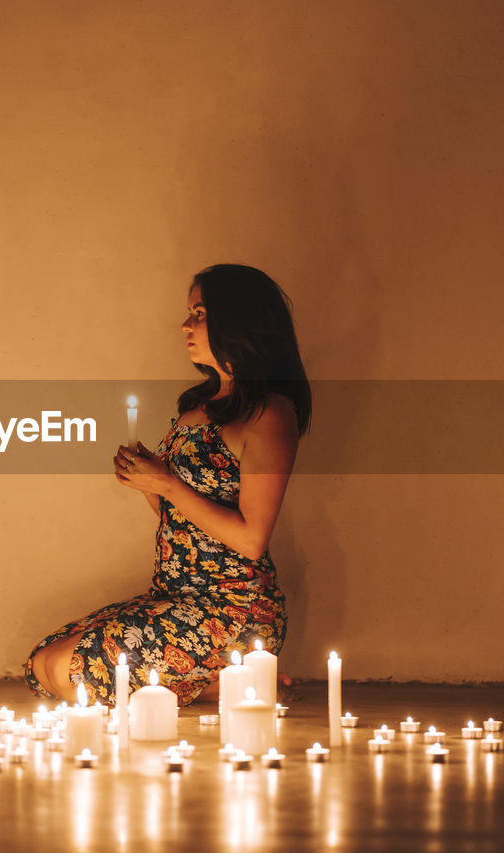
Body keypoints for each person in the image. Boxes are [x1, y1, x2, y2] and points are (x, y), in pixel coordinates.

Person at [24, 264, 311, 706]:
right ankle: (223, 685)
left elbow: (251, 540)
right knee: (41, 664)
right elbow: (179, 519)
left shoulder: (269, 414)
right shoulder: (196, 407)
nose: (186, 325)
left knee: (68, 673)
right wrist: (148, 485)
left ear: (237, 319)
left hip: (230, 610)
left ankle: (233, 673)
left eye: (199, 312)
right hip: (173, 596)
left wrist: (168, 483)